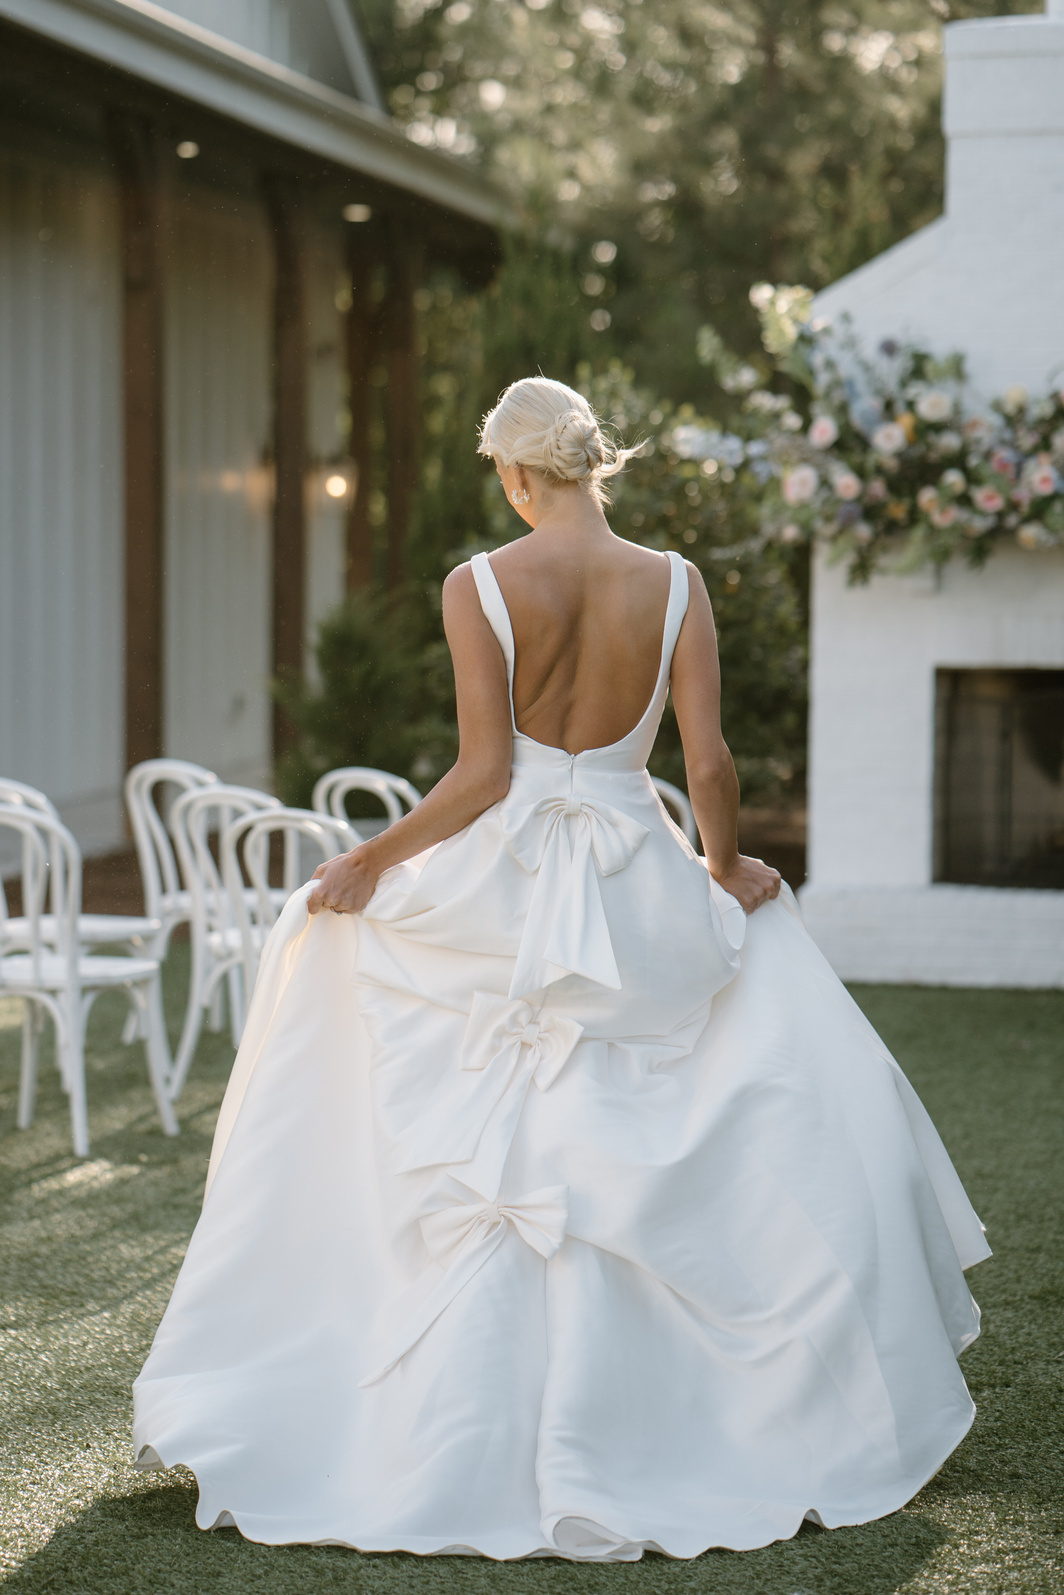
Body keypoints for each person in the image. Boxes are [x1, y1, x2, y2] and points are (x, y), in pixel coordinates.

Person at [133, 377, 989, 1562]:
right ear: (596, 465)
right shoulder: (677, 582)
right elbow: (710, 760)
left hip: (511, 875)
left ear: (516, 475)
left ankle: (420, 1414)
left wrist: (369, 861)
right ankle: (699, 1413)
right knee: (671, 1093)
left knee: (461, 1092)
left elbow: (485, 772)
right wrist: (725, 868)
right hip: (635, 868)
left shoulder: (479, 582)